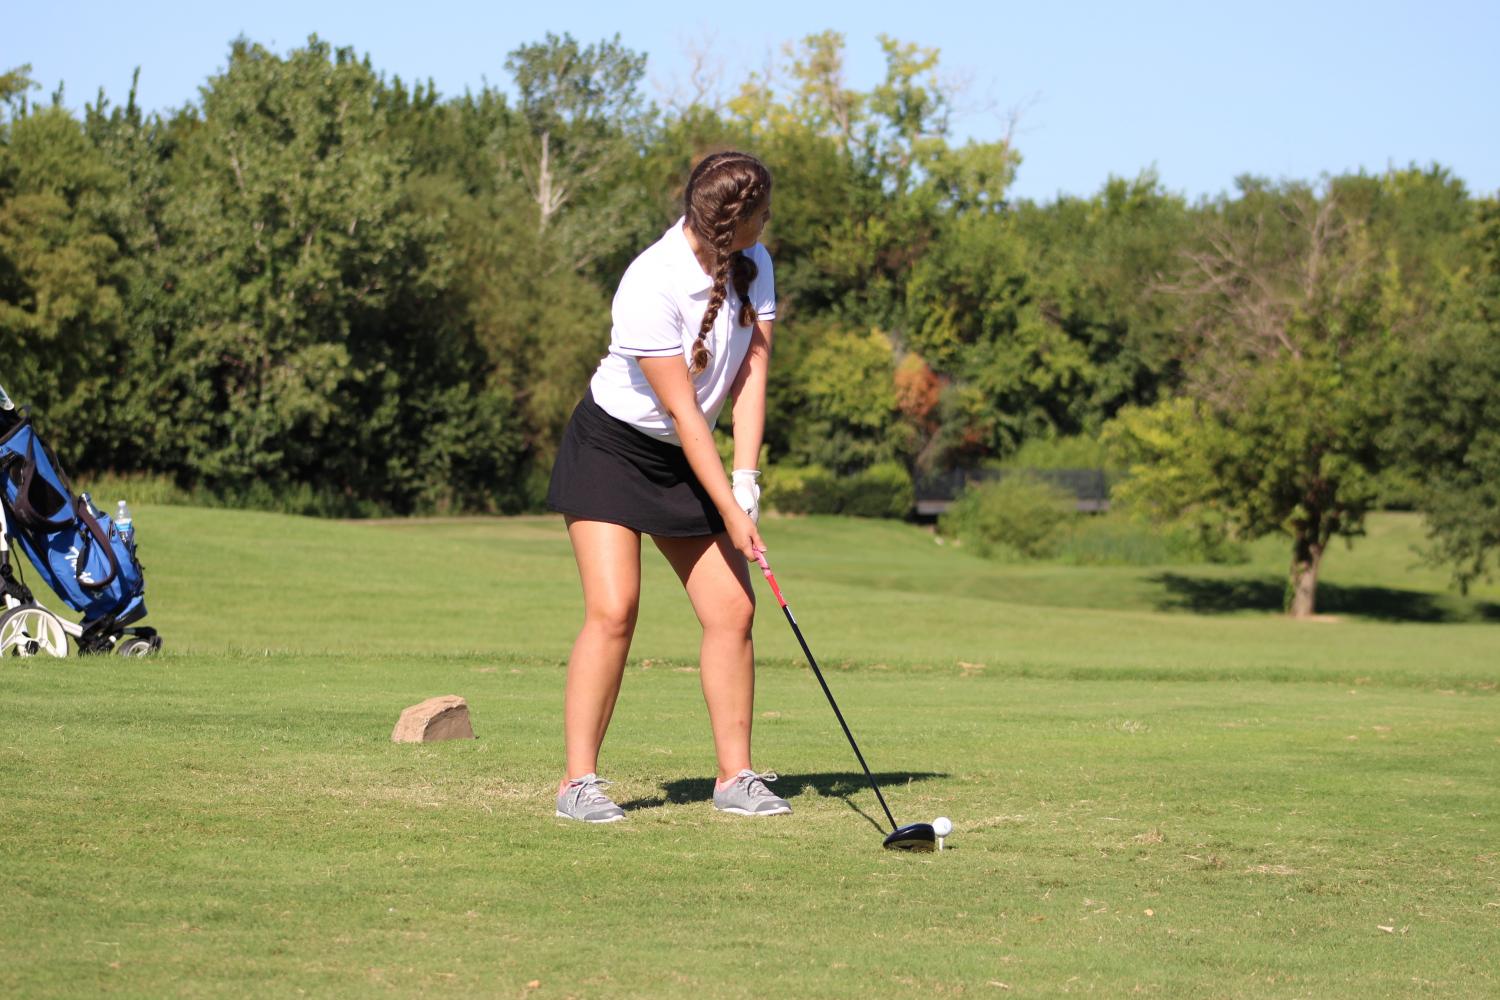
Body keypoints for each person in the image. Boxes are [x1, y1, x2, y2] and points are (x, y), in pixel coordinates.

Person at [545, 151, 790, 823]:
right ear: (731, 221)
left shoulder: (756, 263)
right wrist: (727, 509)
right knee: (615, 607)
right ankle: (577, 784)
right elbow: (684, 413)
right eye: (763, 214)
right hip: (612, 449)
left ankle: (734, 777)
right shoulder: (649, 283)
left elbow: (750, 380)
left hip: (693, 455)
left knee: (733, 611)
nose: (770, 224)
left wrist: (746, 484)